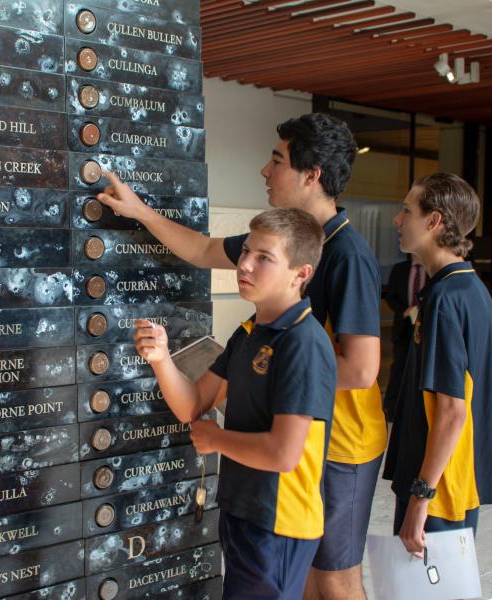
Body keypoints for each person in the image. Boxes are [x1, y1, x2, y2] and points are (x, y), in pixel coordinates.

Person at [98, 113, 384, 600]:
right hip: (270, 462)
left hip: (338, 444)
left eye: (277, 160)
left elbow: (360, 370)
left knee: (334, 578)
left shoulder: (340, 266)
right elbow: (206, 249)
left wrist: (274, 373)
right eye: (247, 254)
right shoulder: (257, 318)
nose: (264, 171)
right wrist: (141, 212)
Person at [132, 208, 335, 599]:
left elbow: (284, 453)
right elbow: (193, 404)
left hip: (278, 522)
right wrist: (161, 359)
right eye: (245, 251)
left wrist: (216, 440)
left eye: (264, 258)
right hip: (244, 510)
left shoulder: (302, 343)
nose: (244, 264)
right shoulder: (248, 334)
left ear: (301, 273)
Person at [383, 173, 492, 557]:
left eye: (406, 211)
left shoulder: (445, 299)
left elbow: (451, 411)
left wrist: (421, 498)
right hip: (456, 481)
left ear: (433, 222)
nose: (398, 221)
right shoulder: (472, 290)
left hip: (441, 488)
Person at [383, 254, 427, 422]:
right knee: (399, 368)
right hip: (403, 326)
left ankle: (416, 410)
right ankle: (391, 410)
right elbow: (390, 295)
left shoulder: (431, 271)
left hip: (423, 327)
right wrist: (404, 310)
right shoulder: (400, 269)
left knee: (421, 368)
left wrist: (420, 309)